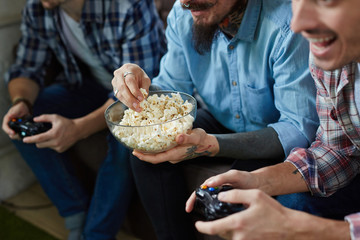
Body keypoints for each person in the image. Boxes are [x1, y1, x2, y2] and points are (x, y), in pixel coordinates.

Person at [112, 0, 319, 239]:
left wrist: (210, 144)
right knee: (147, 153)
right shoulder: (184, 14)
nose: (185, 1)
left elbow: (297, 129)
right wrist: (139, 85)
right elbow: (172, 89)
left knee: (225, 203)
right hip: (220, 119)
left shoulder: (288, 25)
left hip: (274, 137)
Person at [184, 0, 360, 239]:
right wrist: (256, 180)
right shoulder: (331, 56)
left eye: (325, 2)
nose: (297, 24)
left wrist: (297, 228)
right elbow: (339, 150)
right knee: (292, 200)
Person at [1, 0, 166, 239]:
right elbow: (26, 68)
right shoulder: (38, 8)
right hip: (89, 86)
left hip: (141, 97)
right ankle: (75, 214)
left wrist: (78, 129)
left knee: (127, 140)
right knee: (25, 119)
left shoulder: (131, 6)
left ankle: (95, 234)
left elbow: (137, 94)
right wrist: (21, 103)